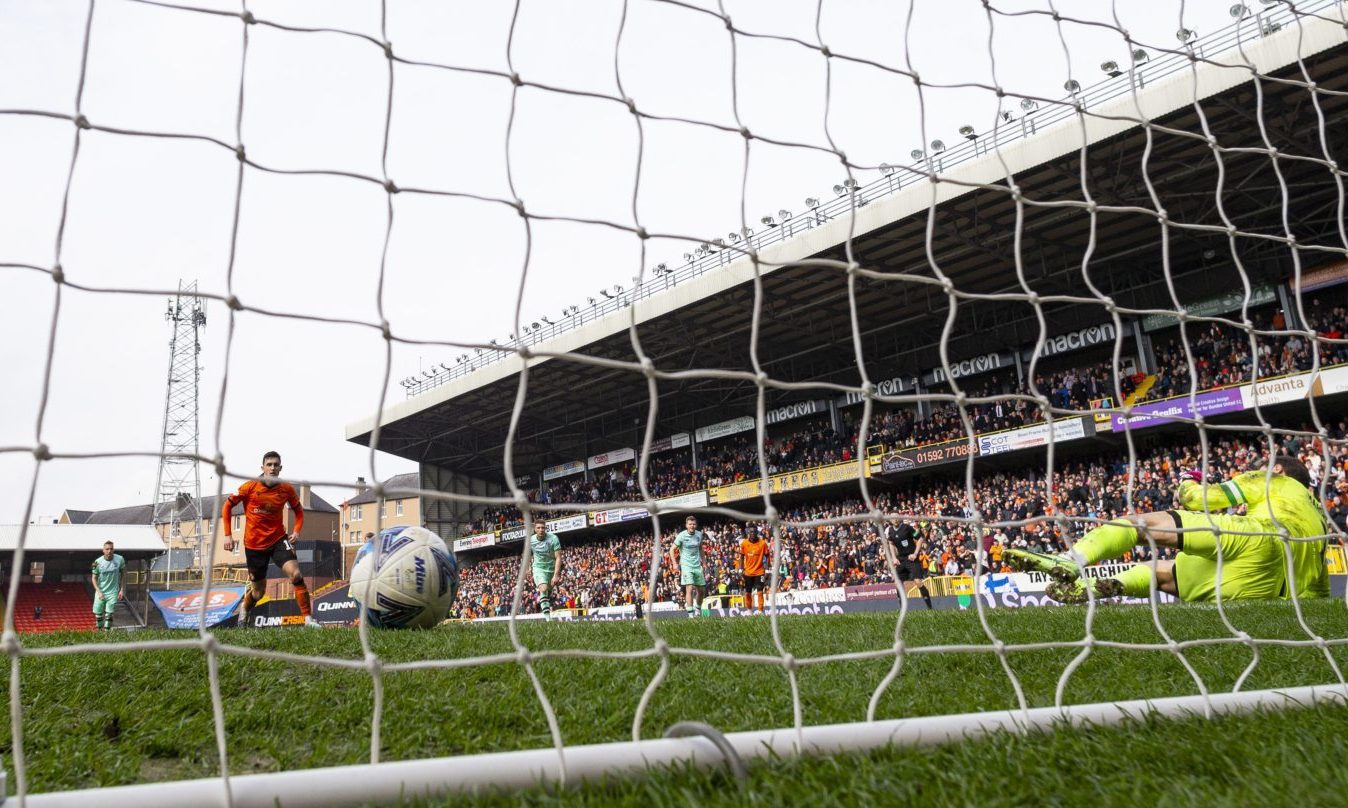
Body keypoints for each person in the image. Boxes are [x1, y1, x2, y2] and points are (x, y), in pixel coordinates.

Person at [1007, 455, 1330, 604]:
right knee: (1162, 572)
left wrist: (1189, 478)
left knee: (1142, 525)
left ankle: (1070, 560)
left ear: (1277, 470)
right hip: (1262, 591)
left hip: (1254, 537)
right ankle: (1096, 586)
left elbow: (1198, 499)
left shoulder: (1271, 478)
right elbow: (1319, 591)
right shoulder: (1320, 522)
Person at [223, 451, 318, 627]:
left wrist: (296, 531)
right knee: (259, 592)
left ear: (280, 468)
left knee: (296, 574)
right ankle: (245, 608)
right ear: (263, 468)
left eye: (276, 465)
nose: (272, 468)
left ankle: (308, 620)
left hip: (278, 540)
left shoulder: (286, 489)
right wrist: (228, 535)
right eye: (269, 464)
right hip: (254, 545)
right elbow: (227, 506)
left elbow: (298, 511)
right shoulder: (249, 487)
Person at [670, 515, 714, 618]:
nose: (692, 526)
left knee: (702, 590)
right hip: (686, 566)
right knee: (689, 588)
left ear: (696, 525)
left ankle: (697, 609)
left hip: (697, 565)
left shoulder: (699, 535)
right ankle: (691, 615)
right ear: (686, 525)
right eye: (690, 524)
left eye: (694, 524)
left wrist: (704, 562)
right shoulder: (681, 536)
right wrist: (675, 563)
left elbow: (700, 549)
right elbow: (671, 550)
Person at [883, 519, 932, 610]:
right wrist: (894, 558)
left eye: (896, 517)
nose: (895, 520)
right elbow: (891, 543)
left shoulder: (907, 528)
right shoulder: (890, 530)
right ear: (890, 520)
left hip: (912, 558)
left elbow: (920, 538)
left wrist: (915, 554)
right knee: (897, 583)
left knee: (918, 582)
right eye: (893, 518)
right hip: (901, 559)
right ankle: (903, 610)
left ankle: (930, 607)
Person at [529, 519, 563, 619]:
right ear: (535, 529)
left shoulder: (553, 538)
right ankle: (548, 619)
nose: (541, 530)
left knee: (547, 592)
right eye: (538, 528)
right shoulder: (531, 540)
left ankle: (546, 611)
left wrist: (556, 575)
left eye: (543, 528)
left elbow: (558, 557)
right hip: (538, 568)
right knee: (543, 589)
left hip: (551, 569)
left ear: (546, 528)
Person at [90, 540, 126, 630]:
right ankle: (99, 632)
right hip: (101, 591)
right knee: (98, 614)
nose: (109, 551)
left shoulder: (120, 559)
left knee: (109, 614)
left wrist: (121, 589)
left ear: (113, 550)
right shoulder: (97, 562)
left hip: (113, 591)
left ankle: (107, 633)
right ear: (103, 550)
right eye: (107, 549)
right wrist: (99, 592)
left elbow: (123, 574)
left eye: (111, 549)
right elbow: (93, 578)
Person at [738, 527, 769, 613]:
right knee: (748, 591)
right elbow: (741, 556)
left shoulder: (763, 543)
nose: (752, 533)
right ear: (748, 533)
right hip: (748, 572)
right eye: (751, 532)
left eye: (754, 532)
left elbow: (767, 556)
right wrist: (740, 568)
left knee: (760, 590)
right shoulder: (744, 543)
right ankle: (749, 610)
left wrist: (767, 569)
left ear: (757, 533)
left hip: (760, 571)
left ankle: (760, 611)